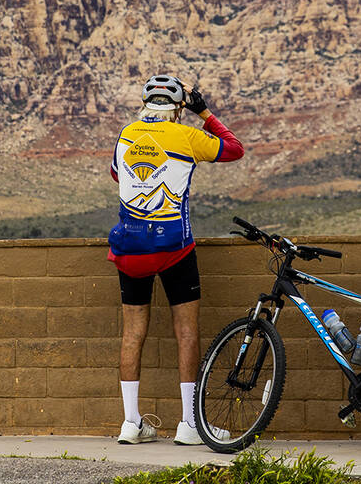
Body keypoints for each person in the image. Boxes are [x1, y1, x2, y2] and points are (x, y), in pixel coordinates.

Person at [108, 74, 244, 445]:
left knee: (133, 331)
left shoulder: (126, 134)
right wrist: (205, 113)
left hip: (130, 249)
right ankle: (189, 424)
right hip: (174, 249)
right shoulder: (187, 135)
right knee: (185, 331)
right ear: (179, 107)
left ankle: (131, 423)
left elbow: (116, 174)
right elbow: (234, 149)